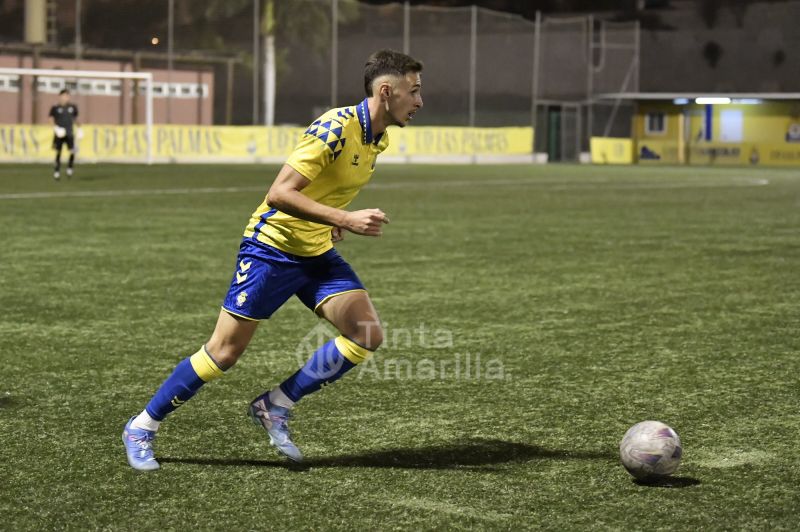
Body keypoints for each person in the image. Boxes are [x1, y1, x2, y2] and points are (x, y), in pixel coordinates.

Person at [122, 49, 424, 471]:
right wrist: (345, 218)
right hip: (271, 249)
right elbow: (280, 193)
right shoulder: (336, 126)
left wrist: (331, 220)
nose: (419, 102)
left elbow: (325, 188)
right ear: (387, 91)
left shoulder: (379, 138)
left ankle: (275, 404)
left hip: (315, 252)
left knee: (366, 334)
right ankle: (142, 426)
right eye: (414, 91)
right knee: (224, 353)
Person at [48, 89, 80, 180]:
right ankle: (57, 171)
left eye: (68, 96)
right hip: (59, 134)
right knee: (58, 152)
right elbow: (50, 119)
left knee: (72, 151)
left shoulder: (73, 107)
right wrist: (56, 128)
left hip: (69, 133)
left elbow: (75, 119)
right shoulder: (55, 107)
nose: (67, 98)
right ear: (60, 96)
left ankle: (70, 167)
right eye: (65, 96)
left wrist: (80, 128)